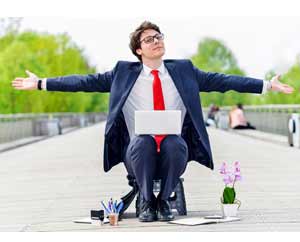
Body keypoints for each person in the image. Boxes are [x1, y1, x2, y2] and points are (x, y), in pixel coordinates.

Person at [11, 21, 294, 222]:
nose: (157, 41)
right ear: (138, 50)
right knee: (143, 140)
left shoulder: (184, 70)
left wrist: (266, 85)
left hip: (174, 151)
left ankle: (163, 201)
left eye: (159, 36)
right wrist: (40, 84)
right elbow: (84, 82)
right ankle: (148, 201)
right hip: (137, 152)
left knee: (174, 142)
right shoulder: (123, 73)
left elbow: (224, 81)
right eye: (149, 39)